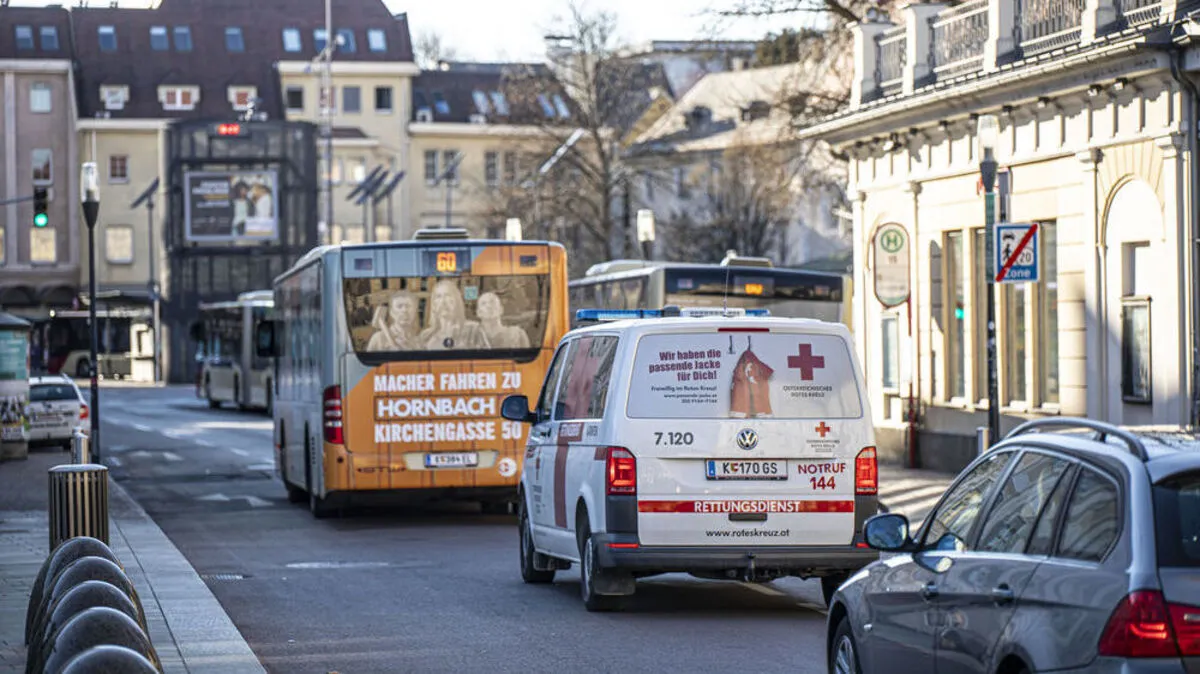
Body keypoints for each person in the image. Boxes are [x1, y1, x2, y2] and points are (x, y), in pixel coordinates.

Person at [417, 280, 488, 350]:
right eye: (438, 296)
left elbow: (488, 358)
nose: (443, 301)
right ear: (434, 304)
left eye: (447, 295)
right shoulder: (426, 336)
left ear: (457, 301)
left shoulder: (473, 329)